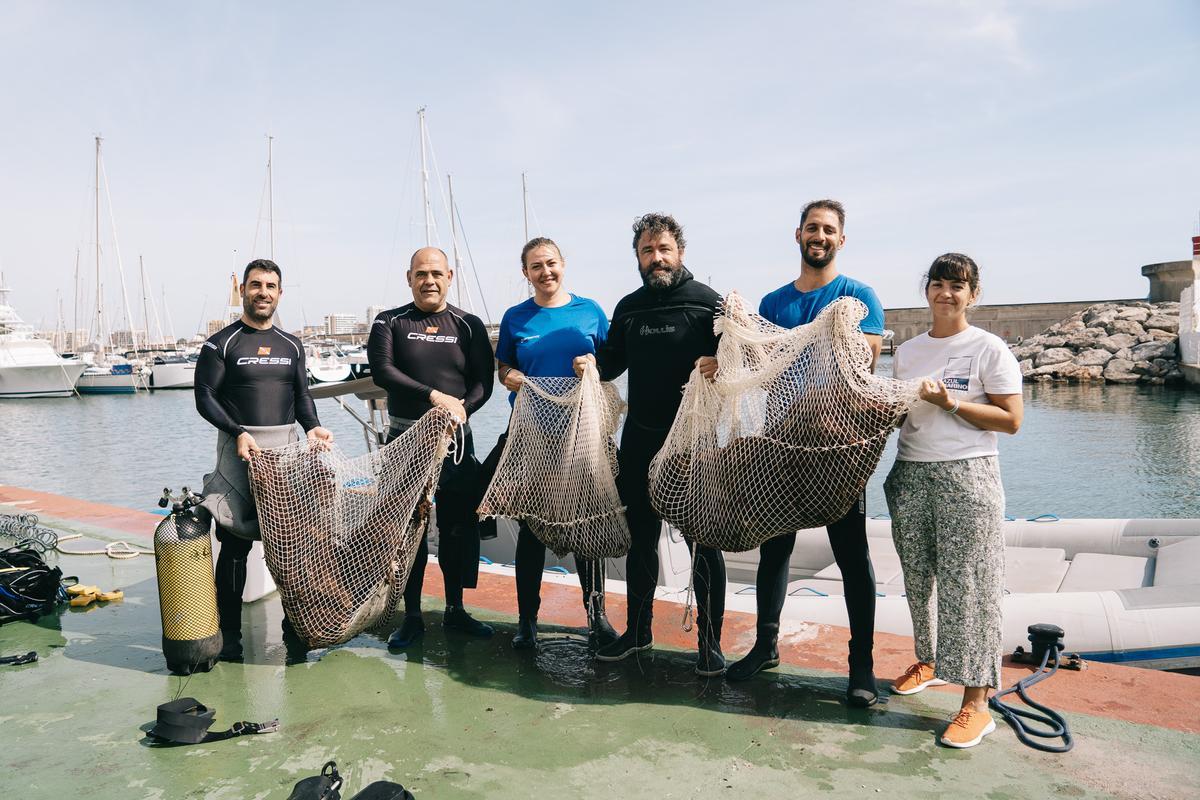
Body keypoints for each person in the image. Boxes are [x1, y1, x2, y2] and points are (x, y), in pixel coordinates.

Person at [714, 199, 885, 707]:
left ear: (841, 240)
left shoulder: (858, 295)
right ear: (798, 235)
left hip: (837, 444)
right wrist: (725, 347)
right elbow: (757, 359)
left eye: (829, 230)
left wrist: (828, 332)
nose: (820, 236)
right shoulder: (774, 302)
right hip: (782, 439)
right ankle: (766, 646)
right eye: (813, 228)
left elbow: (868, 355)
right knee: (775, 547)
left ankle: (862, 667)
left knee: (853, 554)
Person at [885, 253, 1023, 748]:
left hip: (968, 475)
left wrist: (952, 403)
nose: (947, 293)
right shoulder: (907, 351)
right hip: (910, 473)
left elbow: (1010, 420)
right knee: (918, 577)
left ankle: (976, 703)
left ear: (973, 293)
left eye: (957, 285)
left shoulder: (990, 348)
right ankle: (928, 661)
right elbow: (904, 416)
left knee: (971, 585)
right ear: (927, 291)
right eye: (939, 284)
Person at [589, 213, 728, 676]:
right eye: (647, 252)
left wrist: (720, 361)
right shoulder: (629, 307)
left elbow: (742, 358)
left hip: (694, 441)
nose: (656, 258)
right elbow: (611, 363)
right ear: (638, 258)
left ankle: (710, 644)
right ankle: (639, 631)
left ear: (680, 252)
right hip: (641, 440)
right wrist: (589, 364)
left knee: (703, 542)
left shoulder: (709, 302)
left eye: (663, 249)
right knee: (640, 541)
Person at [194, 258, 334, 661]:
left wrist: (314, 428)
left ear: (280, 293)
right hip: (239, 449)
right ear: (244, 291)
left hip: (285, 454)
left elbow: (301, 395)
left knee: (291, 544)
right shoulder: (221, 343)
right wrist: (239, 432)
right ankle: (231, 638)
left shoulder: (292, 345)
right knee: (235, 544)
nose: (263, 292)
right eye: (256, 285)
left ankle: (296, 632)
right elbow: (205, 397)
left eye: (271, 286)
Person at [492, 237, 617, 650]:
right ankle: (527, 621)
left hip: (581, 434)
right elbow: (503, 367)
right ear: (525, 273)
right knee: (532, 527)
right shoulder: (515, 318)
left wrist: (595, 363)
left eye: (551, 263)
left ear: (564, 264)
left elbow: (613, 361)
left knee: (585, 522)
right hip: (532, 436)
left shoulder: (591, 311)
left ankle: (596, 615)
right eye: (535, 266)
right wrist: (506, 374)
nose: (545, 272)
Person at [368, 246, 496, 648]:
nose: (429, 280)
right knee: (409, 533)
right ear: (409, 278)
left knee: (457, 528)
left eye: (436, 273)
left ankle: (456, 609)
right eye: (421, 274)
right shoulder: (390, 322)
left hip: (455, 441)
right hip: (405, 439)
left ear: (450, 276)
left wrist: (461, 410)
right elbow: (384, 372)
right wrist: (434, 397)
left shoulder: (468, 324)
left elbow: (483, 383)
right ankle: (413, 616)